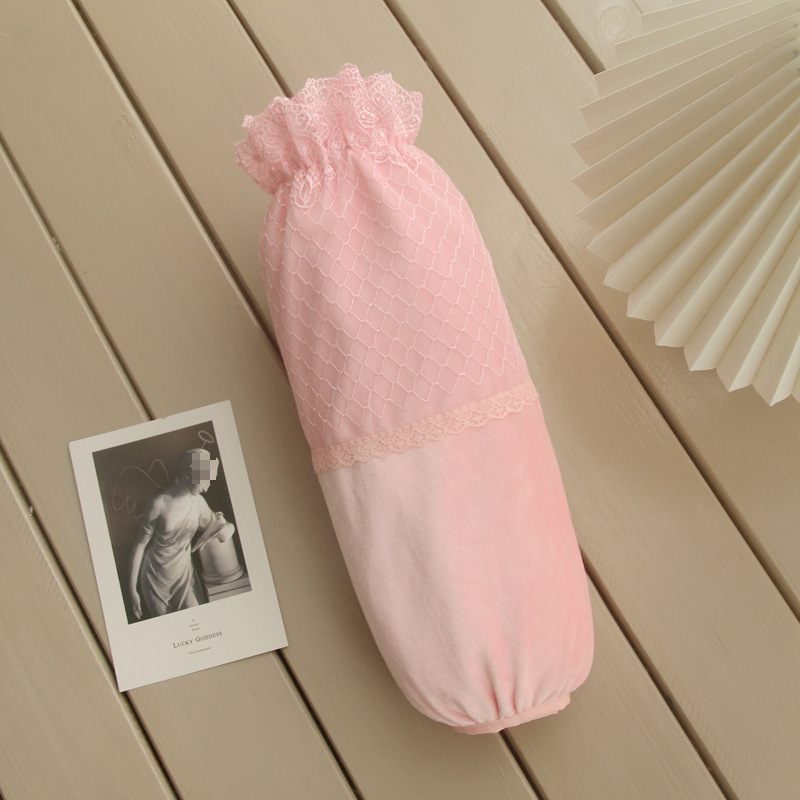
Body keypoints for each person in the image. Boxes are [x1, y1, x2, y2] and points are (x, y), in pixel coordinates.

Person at [128, 448, 234, 620]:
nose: (206, 488)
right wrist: (132, 590)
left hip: (184, 576)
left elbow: (216, 523)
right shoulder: (159, 505)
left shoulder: (198, 503)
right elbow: (140, 547)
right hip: (156, 578)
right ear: (188, 474)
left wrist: (230, 527)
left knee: (198, 618)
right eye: (203, 481)